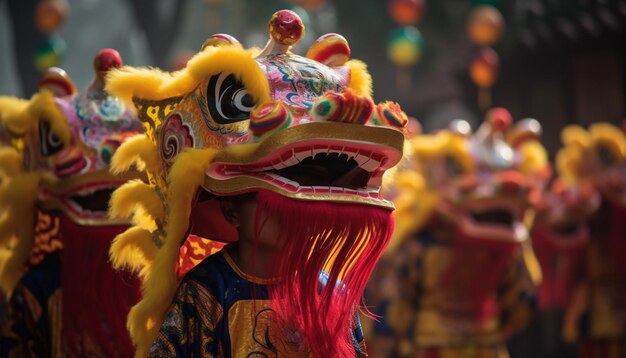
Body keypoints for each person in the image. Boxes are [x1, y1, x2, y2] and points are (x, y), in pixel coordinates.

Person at [106, 9, 408, 357]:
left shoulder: (330, 289)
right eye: (270, 192)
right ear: (232, 208)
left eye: (309, 180)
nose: (293, 208)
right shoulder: (207, 290)